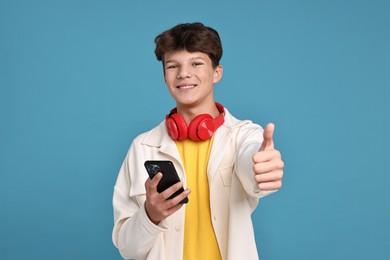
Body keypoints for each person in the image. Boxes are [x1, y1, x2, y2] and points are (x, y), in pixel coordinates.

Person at [112, 22, 284, 260]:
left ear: (217, 73)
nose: (183, 73)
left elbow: (251, 162)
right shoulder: (142, 147)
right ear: (165, 77)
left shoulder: (244, 135)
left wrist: (261, 169)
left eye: (196, 63)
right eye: (173, 66)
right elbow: (128, 249)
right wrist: (150, 215)